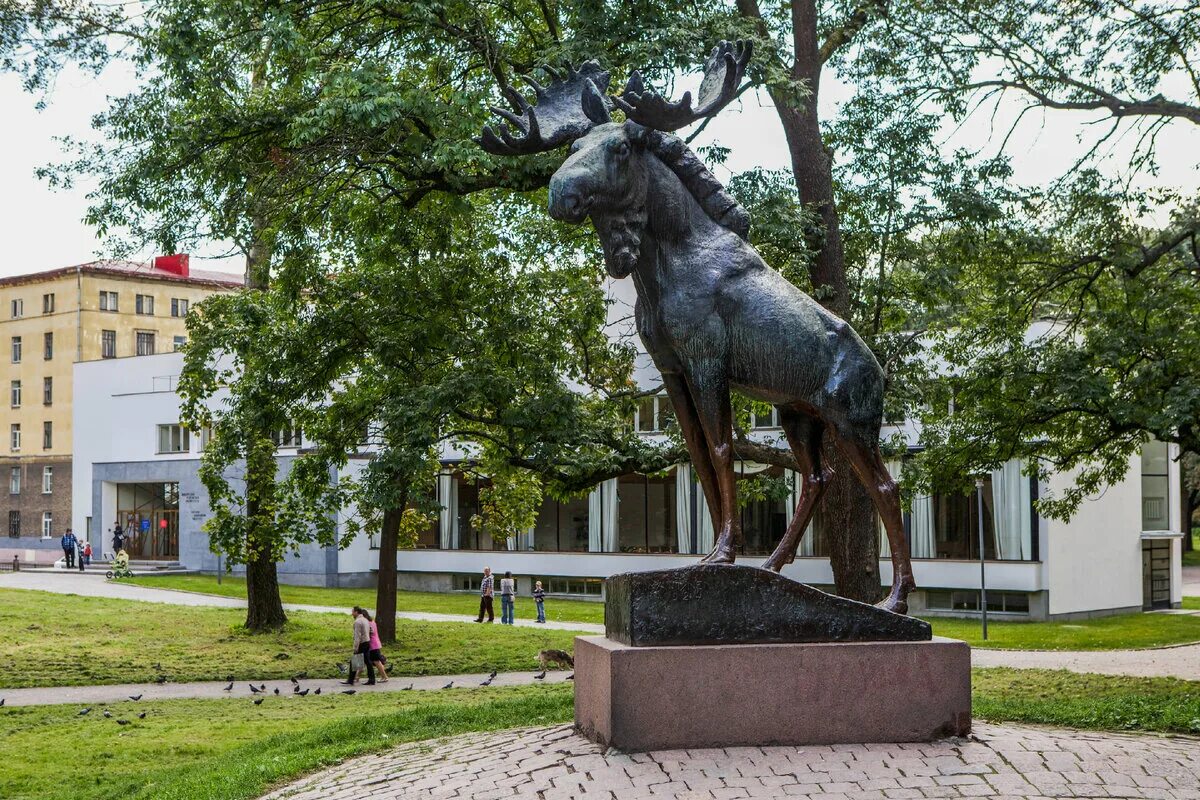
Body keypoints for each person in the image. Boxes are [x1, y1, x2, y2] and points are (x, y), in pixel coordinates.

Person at [343, 606, 375, 686]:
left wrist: (356, 647)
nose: (352, 614)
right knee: (368, 662)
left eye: (353, 612)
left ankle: (350, 680)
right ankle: (372, 679)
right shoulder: (365, 620)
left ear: (357, 612)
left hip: (361, 643)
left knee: (354, 661)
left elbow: (357, 636)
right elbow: (371, 630)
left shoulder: (357, 622)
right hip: (367, 642)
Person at [363, 609, 390, 683]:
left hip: (372, 645)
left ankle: (384, 677)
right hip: (376, 643)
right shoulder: (372, 622)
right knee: (375, 661)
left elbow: (368, 634)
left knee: (376, 661)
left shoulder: (368, 623)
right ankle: (384, 676)